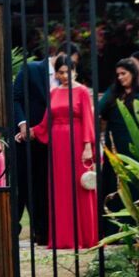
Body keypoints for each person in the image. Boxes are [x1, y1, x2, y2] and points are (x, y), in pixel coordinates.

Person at [18, 55, 98, 250]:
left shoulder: (82, 92)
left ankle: (85, 237)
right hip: (57, 146)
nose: (64, 76)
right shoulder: (53, 93)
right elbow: (46, 123)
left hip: (77, 142)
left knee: (78, 188)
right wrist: (30, 133)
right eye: (60, 72)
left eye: (67, 71)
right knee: (59, 188)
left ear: (74, 71)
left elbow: (88, 119)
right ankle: (63, 239)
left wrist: (88, 146)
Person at [13, 41, 52, 245]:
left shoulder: (69, 81)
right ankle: (12, 229)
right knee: (21, 184)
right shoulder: (32, 69)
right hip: (27, 139)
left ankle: (42, 232)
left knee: (44, 186)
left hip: (53, 142)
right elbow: (16, 97)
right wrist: (23, 124)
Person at [99, 56, 139, 209]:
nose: (120, 77)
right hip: (113, 146)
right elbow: (99, 110)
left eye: (123, 73)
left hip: (133, 147)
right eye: (118, 74)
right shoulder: (113, 92)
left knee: (132, 184)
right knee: (113, 184)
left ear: (133, 73)